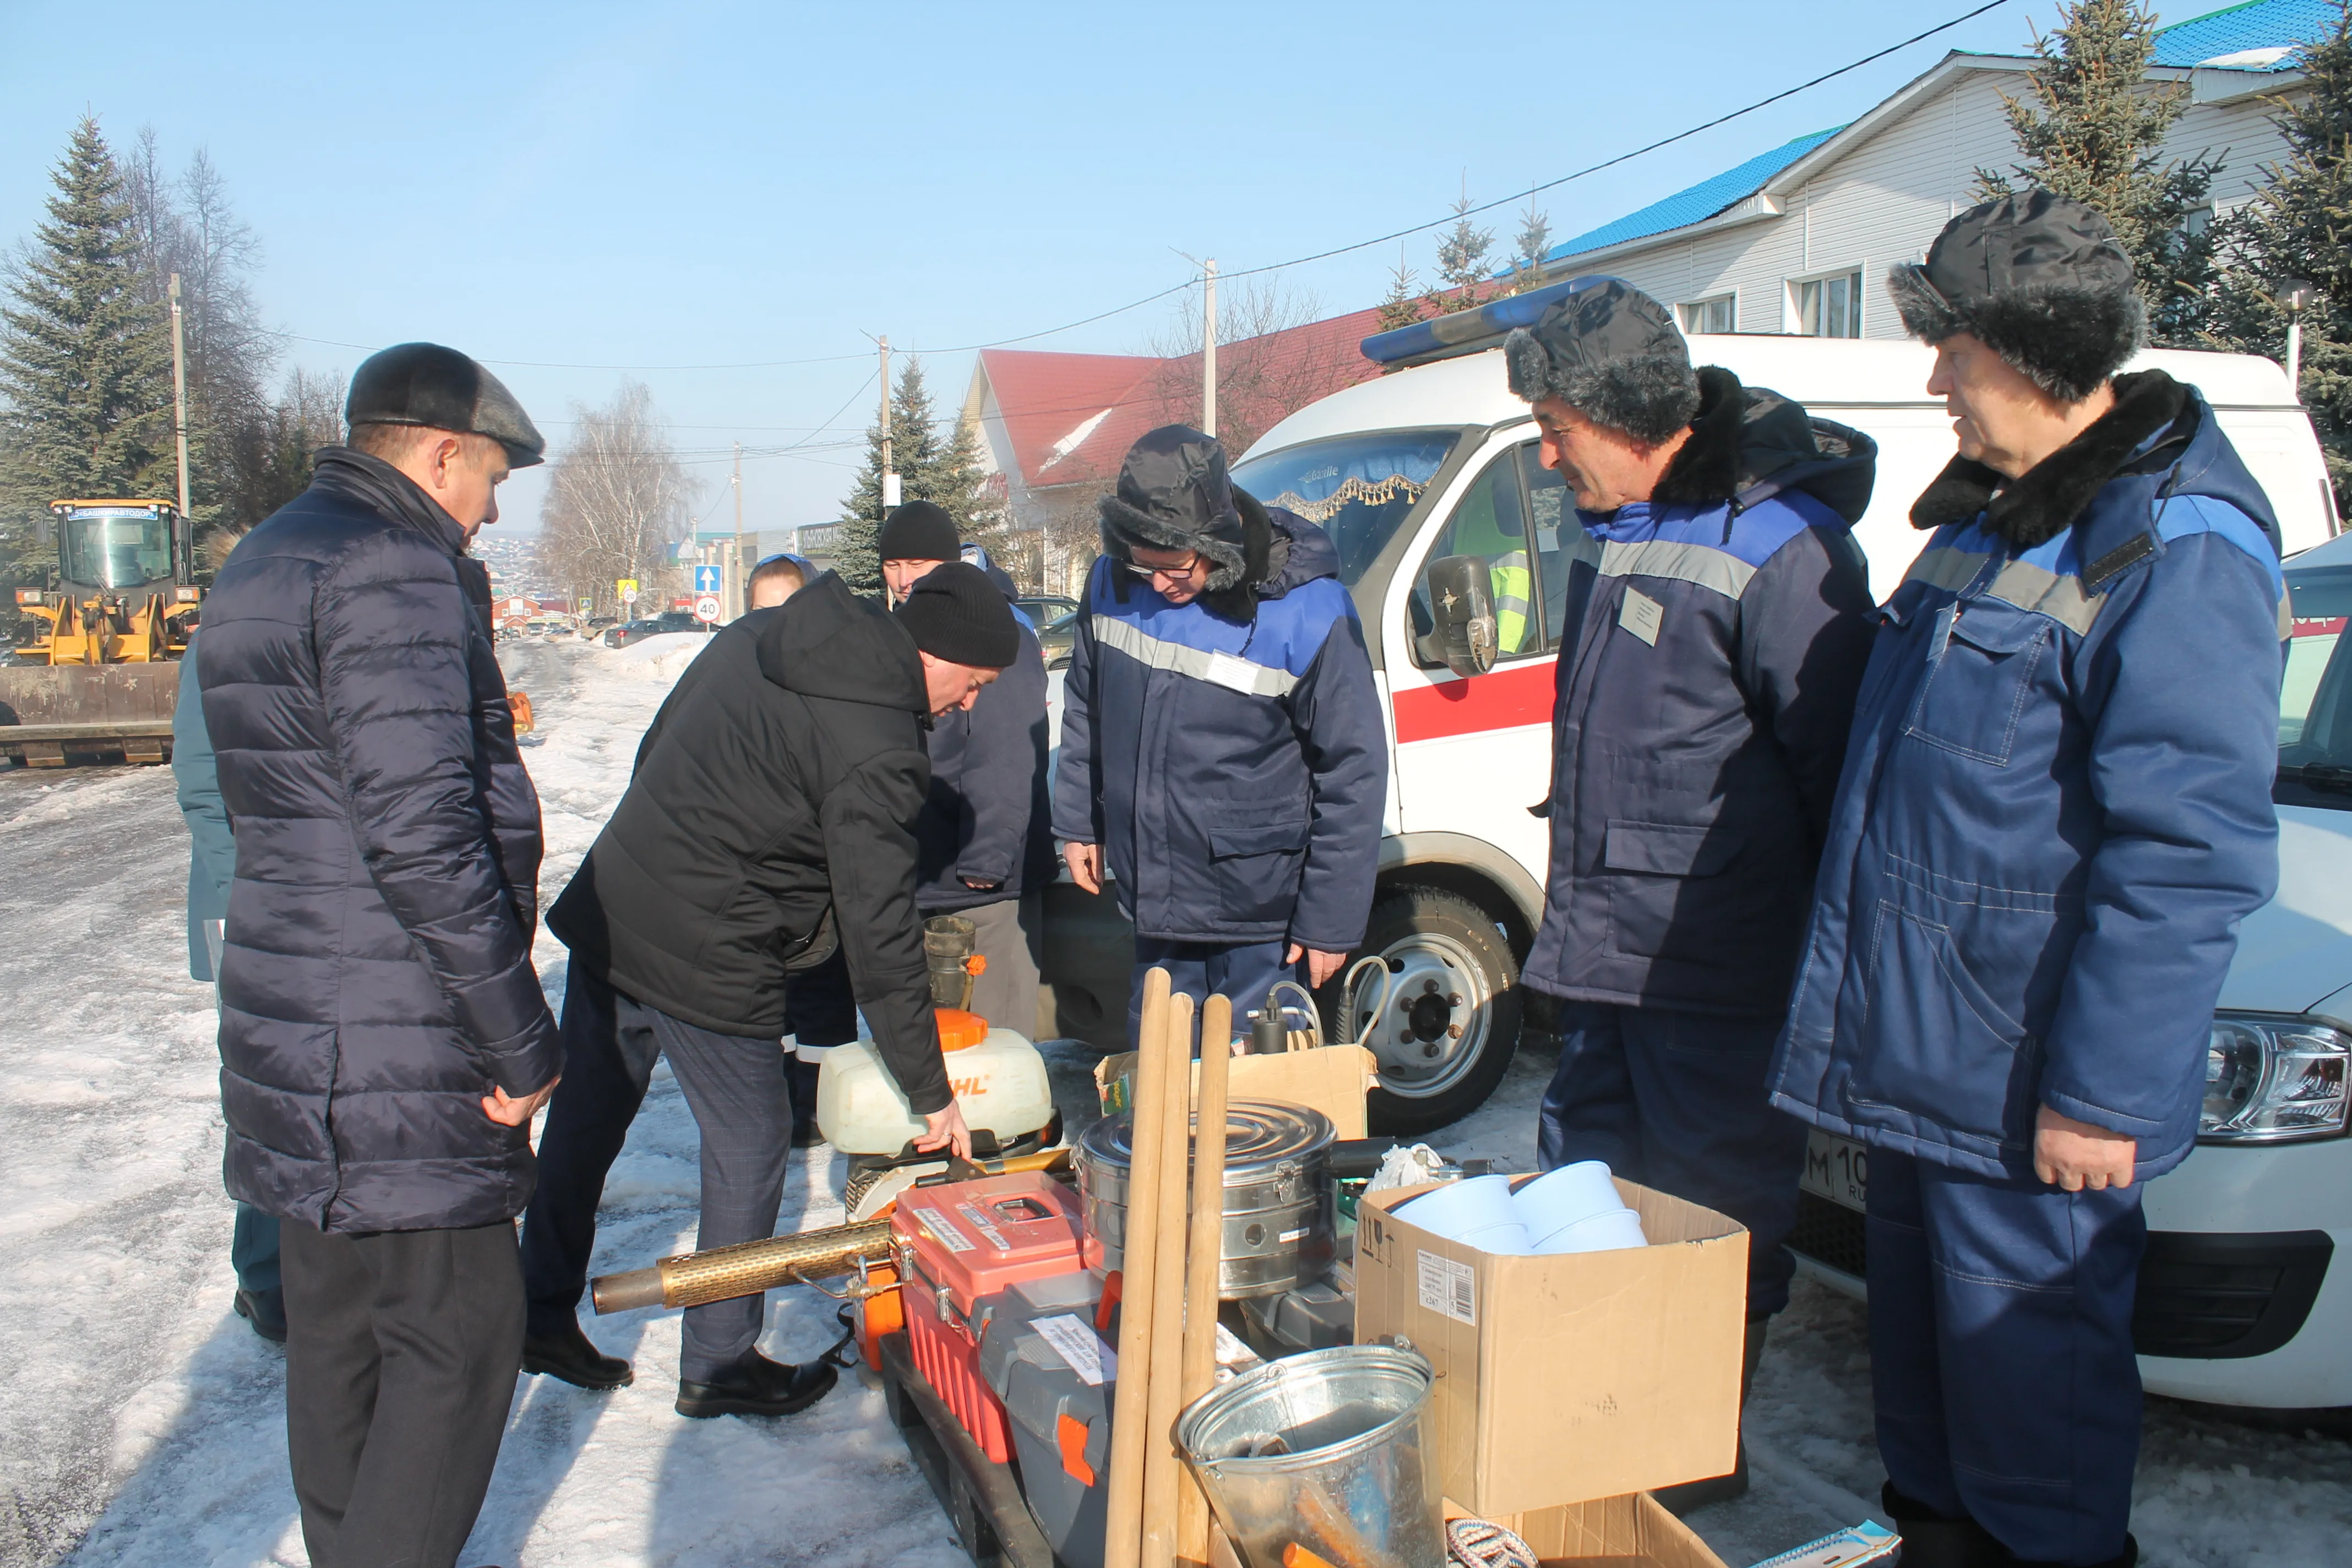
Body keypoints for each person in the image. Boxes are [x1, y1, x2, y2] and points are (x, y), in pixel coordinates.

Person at [1770, 191, 2286, 1568]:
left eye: (1957, 348)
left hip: (2027, 1087)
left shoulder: (2174, 547)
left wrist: (2102, 1093)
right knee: (1932, 1421)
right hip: (1927, 1063)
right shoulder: (1990, 524)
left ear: (2037, 349)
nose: (1935, 376)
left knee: (2034, 1422)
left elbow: (2188, 854)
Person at [1501, 280, 1879, 1500]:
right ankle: (1596, 1417)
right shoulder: (1617, 527)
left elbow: (1839, 783)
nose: (1548, 452)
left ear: (1626, 413)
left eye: (1559, 424)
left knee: (1711, 1216)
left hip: (1719, 965)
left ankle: (1688, 1463)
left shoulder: (1786, 547)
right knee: (1584, 1185)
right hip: (1609, 950)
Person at [199, 342, 560, 1568]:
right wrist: (517, 1034)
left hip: (297, 1007)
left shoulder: (268, 552)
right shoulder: (394, 564)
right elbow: (423, 830)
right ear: (442, 447)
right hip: (399, 1037)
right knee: (459, 1334)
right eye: (493, 478)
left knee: (340, 1329)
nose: (494, 508)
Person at [520, 562, 1015, 1415]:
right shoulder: (881, 745)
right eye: (972, 684)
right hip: (710, 940)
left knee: (586, 1122)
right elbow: (880, 927)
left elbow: (657, 746)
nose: (968, 704)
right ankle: (719, 1364)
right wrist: (932, 1095)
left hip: (620, 899)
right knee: (751, 1139)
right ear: (936, 656)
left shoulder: (768, 632)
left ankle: (534, 1310)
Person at [1053, 424, 1384, 1041]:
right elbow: (1085, 708)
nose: (1157, 584)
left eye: (1175, 567)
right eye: (1141, 565)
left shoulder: (1309, 610)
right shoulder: (1110, 583)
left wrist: (1330, 922)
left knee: (1259, 1107)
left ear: (1218, 539)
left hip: (1262, 921)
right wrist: (1077, 821)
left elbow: (1354, 769)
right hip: (1156, 906)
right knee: (1161, 1090)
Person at [878, 501, 1053, 1038]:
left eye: (919, 564)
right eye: (894, 565)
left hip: (979, 885)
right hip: (927, 874)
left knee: (994, 1035)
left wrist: (988, 857)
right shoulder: (910, 634)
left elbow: (1006, 750)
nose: (905, 580)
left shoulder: (995, 631)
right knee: (942, 1040)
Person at [171, 626, 283, 1344]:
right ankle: (265, 1275)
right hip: (242, 901)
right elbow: (201, 781)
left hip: (307, 907)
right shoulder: (225, 634)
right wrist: (250, 898)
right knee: (259, 1082)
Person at [743, 548, 840, 1144]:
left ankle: (820, 1110)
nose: (769, 626)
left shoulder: (827, 685)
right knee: (767, 1012)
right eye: (758, 611)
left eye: (783, 611)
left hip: (816, 886)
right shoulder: (731, 679)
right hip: (753, 884)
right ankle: (774, 1107)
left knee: (824, 1008)